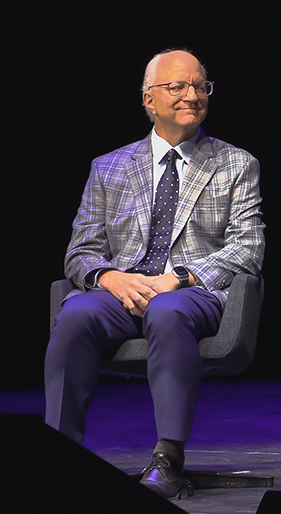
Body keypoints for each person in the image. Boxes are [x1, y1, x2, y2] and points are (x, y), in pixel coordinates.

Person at [45, 49, 265, 500]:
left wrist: (178, 278)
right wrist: (111, 278)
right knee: (76, 314)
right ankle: (57, 456)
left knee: (167, 310)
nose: (192, 95)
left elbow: (248, 248)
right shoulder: (108, 167)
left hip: (193, 292)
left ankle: (168, 458)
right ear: (149, 99)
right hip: (124, 291)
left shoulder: (235, 163)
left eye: (200, 86)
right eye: (177, 86)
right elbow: (81, 251)